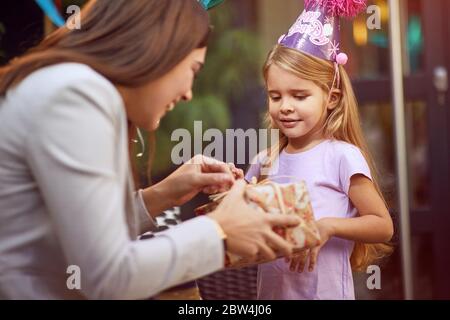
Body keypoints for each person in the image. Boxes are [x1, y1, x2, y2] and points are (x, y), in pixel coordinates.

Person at [0, 0, 300, 299]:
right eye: (193, 70)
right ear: (159, 48)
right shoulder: (76, 95)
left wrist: (160, 195)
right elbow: (108, 276)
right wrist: (219, 230)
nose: (188, 93)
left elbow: (80, 237)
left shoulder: (67, 85)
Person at [245, 0, 394, 300]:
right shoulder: (264, 161)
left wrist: (327, 227)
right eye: (275, 96)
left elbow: (383, 226)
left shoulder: (341, 157)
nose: (285, 106)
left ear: (332, 98)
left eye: (299, 96)